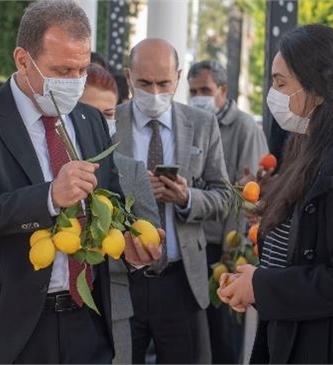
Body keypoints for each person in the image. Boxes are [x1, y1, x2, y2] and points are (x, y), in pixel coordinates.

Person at [0, 1, 161, 363]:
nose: (73, 81)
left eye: (81, 69)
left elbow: (108, 202)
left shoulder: (90, 120)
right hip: (1, 329)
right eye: (61, 70)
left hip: (85, 321)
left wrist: (129, 241)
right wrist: (50, 197)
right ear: (22, 60)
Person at [216, 24, 333, 364]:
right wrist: (256, 282)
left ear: (316, 87)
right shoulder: (312, 146)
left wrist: (263, 286)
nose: (273, 93)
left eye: (280, 82)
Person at [114, 38, 230, 364]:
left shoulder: (202, 125)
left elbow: (223, 194)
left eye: (164, 83)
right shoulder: (109, 122)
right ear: (128, 78)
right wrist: (134, 195)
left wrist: (186, 197)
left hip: (181, 280)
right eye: (144, 83)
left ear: (178, 77)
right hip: (122, 277)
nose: (154, 93)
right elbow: (94, 193)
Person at [187, 59, 268, 363]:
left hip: (227, 249)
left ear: (222, 90)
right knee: (200, 336)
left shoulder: (245, 127)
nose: (198, 96)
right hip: (195, 243)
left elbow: (248, 196)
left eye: (205, 89)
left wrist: (231, 251)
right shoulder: (192, 122)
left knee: (225, 336)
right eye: (193, 90)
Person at [80, 64, 161, 364]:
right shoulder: (47, 170)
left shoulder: (131, 170)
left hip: (113, 313)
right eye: (89, 113)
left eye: (109, 114)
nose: (100, 124)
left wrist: (143, 250)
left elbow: (153, 241)